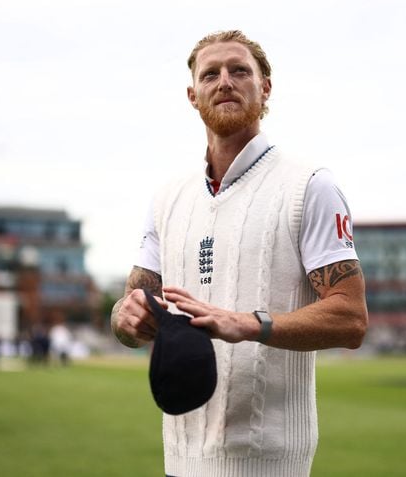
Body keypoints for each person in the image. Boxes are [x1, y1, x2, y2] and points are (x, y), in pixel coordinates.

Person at [111, 30, 369, 477]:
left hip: (270, 463)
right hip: (179, 459)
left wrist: (245, 323)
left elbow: (351, 319)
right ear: (193, 95)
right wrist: (125, 317)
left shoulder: (309, 185)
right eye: (210, 74)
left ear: (265, 87)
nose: (224, 81)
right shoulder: (167, 198)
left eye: (239, 71)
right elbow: (128, 312)